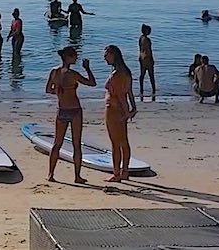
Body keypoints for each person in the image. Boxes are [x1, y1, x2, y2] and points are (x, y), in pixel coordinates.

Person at [45, 46, 96, 183]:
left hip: (62, 109)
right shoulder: (73, 74)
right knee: (76, 144)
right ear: (68, 57)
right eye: (74, 56)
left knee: (57, 143)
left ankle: (50, 174)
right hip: (74, 110)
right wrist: (87, 68)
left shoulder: (54, 72)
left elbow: (48, 89)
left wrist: (58, 91)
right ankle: (77, 176)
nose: (76, 58)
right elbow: (92, 83)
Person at [103, 45, 138, 181]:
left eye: (106, 54)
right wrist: (133, 108)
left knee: (116, 143)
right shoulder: (126, 71)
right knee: (123, 142)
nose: (104, 57)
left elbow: (119, 96)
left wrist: (126, 113)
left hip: (114, 110)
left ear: (113, 54)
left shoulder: (117, 74)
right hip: (120, 110)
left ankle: (117, 173)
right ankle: (124, 171)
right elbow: (129, 92)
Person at [137, 25, 156, 100]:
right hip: (147, 58)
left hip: (142, 58)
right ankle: (153, 90)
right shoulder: (147, 40)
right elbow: (149, 50)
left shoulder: (141, 38)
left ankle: (141, 90)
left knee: (142, 75)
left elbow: (140, 49)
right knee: (151, 75)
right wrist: (152, 59)